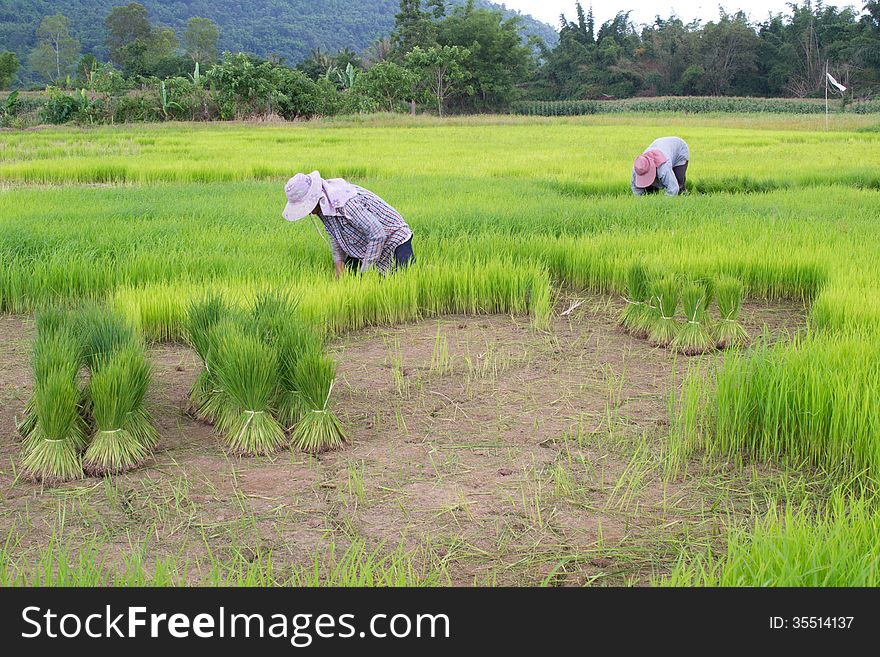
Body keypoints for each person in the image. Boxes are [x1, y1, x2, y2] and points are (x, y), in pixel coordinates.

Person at [282, 171, 414, 278]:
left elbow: (377, 234)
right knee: (352, 276)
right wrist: (339, 266)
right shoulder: (323, 207)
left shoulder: (346, 203)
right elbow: (336, 236)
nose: (308, 212)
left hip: (393, 237)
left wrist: (365, 272)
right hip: (364, 241)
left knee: (407, 278)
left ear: (315, 197)